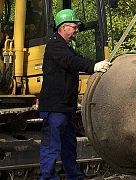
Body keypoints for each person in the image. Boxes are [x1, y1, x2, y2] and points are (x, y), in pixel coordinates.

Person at [38, 9, 110, 180]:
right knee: (51, 146)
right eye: (74, 27)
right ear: (63, 27)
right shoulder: (55, 46)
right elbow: (72, 62)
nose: (77, 30)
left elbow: (77, 59)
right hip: (55, 107)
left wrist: (96, 65)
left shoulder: (66, 47)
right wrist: (93, 66)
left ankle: (74, 176)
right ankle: (47, 177)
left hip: (65, 108)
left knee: (68, 146)